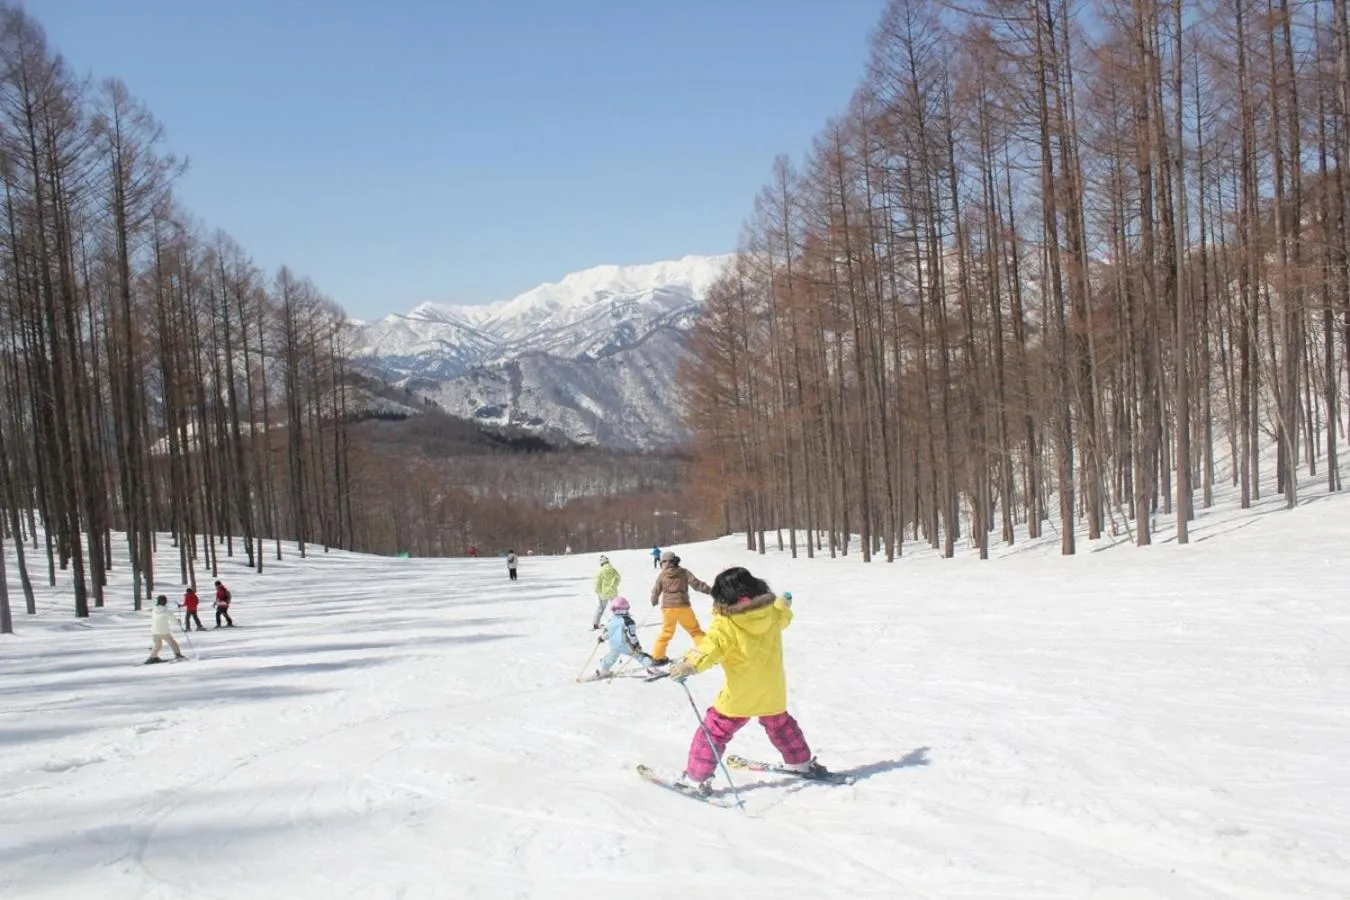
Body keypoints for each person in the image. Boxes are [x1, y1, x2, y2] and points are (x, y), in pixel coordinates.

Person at [667, 567, 828, 796]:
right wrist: (784, 604)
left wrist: (689, 664)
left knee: (714, 731)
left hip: (740, 695)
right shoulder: (770, 612)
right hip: (773, 691)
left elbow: (710, 647)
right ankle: (801, 763)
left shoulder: (726, 623)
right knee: (781, 726)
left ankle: (696, 777)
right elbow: (782, 617)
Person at [649, 550, 709, 664]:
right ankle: (707, 652)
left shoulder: (662, 575)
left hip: (667, 608)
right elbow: (696, 584)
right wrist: (709, 590)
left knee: (666, 632)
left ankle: (658, 656)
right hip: (682, 606)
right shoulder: (684, 572)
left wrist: (654, 600)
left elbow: (656, 590)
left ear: (663, 563)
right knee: (694, 630)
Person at [592, 597, 660, 678]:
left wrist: (602, 638)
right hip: (626, 645)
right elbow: (631, 635)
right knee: (640, 656)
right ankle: (652, 669)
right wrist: (636, 645)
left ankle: (604, 670)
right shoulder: (628, 621)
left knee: (611, 656)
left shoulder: (612, 620)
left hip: (614, 645)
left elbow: (608, 632)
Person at [146, 595, 185, 664]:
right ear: (164, 601)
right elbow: (173, 620)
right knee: (172, 643)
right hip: (163, 631)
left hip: (154, 631)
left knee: (158, 645)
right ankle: (178, 655)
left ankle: (152, 657)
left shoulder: (154, 609)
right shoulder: (166, 611)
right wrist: (178, 622)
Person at [592, 554, 621, 629]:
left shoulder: (600, 571)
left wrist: (598, 591)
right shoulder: (613, 570)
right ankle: (619, 622)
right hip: (613, 592)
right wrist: (614, 585)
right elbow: (618, 579)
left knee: (601, 608)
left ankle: (596, 624)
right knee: (616, 608)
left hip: (603, 593)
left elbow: (597, 582)